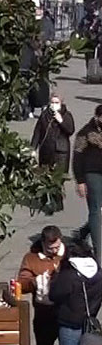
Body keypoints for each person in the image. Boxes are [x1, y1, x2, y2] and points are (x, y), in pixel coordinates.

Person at [19, 226, 67, 345]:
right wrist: (35, 282)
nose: (53, 251)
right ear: (42, 243)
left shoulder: (68, 255)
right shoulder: (31, 258)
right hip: (43, 315)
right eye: (49, 248)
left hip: (65, 313)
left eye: (56, 247)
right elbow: (22, 283)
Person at [49, 245, 102, 345]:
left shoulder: (69, 275)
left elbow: (54, 294)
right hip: (90, 324)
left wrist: (56, 275)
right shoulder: (98, 274)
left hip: (69, 325)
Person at [72, 104, 102, 263]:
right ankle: (99, 254)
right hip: (93, 174)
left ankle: (83, 232)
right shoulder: (85, 133)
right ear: (97, 117)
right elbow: (77, 157)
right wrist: (80, 181)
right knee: (96, 211)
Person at [33, 94, 76, 173]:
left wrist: (61, 121)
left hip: (60, 152)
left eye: (56, 102)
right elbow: (37, 132)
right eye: (52, 102)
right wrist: (33, 148)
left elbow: (70, 130)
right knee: (44, 176)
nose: (54, 105)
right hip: (45, 150)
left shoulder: (66, 115)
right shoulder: (44, 115)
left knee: (58, 177)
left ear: (61, 103)